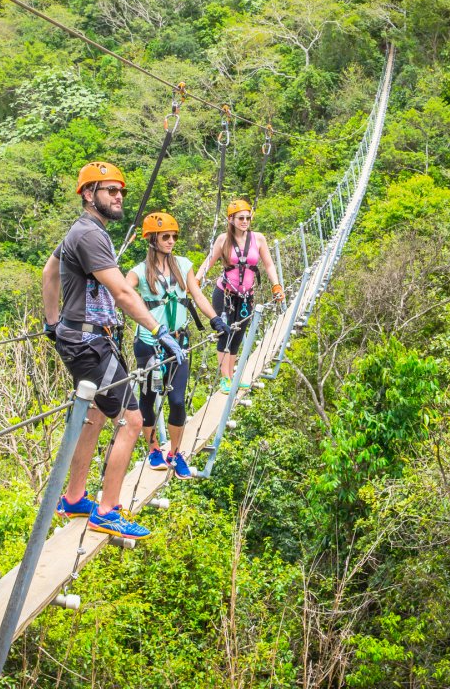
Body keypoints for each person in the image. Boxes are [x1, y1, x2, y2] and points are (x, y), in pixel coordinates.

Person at [42, 161, 186, 539]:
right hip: (90, 343)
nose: (119, 197)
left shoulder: (84, 231)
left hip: (83, 338)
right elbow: (123, 292)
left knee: (95, 414)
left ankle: (74, 498)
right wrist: (159, 329)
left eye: (120, 191)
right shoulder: (89, 235)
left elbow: (49, 272)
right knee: (133, 421)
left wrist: (53, 322)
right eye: (110, 190)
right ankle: (106, 511)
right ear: (89, 195)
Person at [126, 212, 229, 480]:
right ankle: (153, 449)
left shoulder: (183, 265)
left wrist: (215, 318)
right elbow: (123, 295)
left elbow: (196, 294)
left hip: (179, 343)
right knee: (148, 399)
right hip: (149, 344)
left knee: (177, 400)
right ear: (151, 239)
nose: (171, 241)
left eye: (174, 236)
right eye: (165, 237)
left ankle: (175, 452)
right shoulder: (138, 272)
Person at [196, 199, 285, 393]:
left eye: (247, 218)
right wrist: (195, 281)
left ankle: (232, 376)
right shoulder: (223, 240)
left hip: (246, 296)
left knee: (238, 335)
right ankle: (225, 378)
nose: (245, 221)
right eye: (240, 218)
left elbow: (268, 264)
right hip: (225, 294)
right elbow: (208, 263)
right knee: (224, 332)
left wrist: (276, 285)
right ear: (231, 219)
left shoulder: (258, 239)